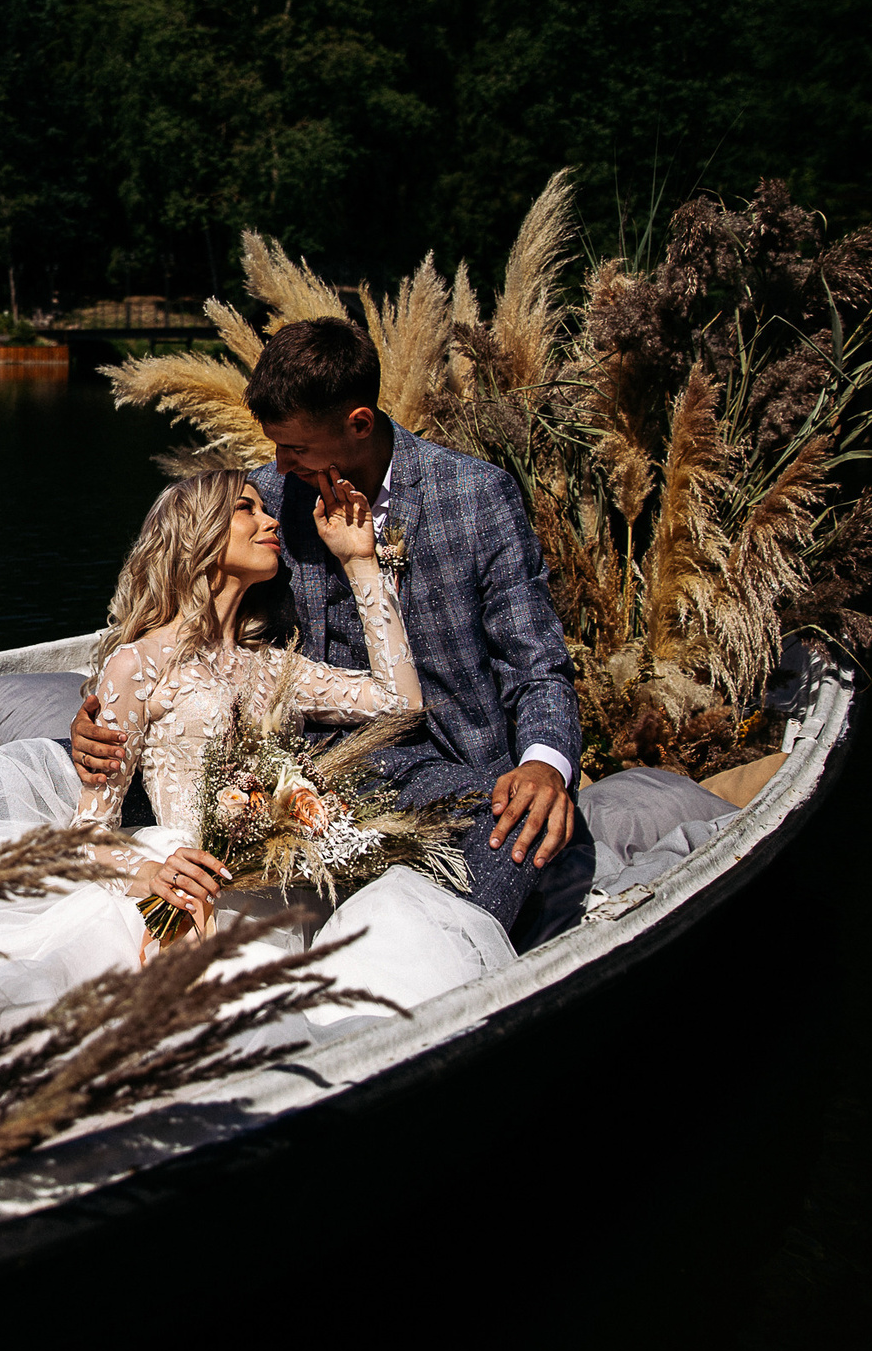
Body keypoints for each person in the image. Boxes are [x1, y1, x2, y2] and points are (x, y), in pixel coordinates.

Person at [0, 469, 515, 1088]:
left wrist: (363, 565)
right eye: (247, 509)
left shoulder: (273, 667)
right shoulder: (137, 665)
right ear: (197, 536)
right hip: (184, 895)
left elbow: (399, 703)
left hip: (278, 906)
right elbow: (87, 833)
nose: (271, 520)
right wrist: (149, 873)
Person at [71, 318, 593, 948]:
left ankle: (439, 962)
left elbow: (537, 664)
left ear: (359, 424)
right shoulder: (265, 503)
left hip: (450, 758)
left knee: (526, 825)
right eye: (273, 447)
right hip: (312, 773)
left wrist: (544, 765)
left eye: (293, 448)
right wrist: (92, 726)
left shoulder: (476, 496)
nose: (277, 466)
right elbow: (170, 634)